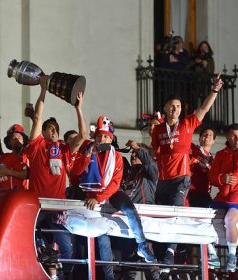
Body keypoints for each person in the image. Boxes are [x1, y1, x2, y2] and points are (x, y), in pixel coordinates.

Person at [151, 74, 223, 268]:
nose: (175, 109)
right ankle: (162, 253)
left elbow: (204, 108)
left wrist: (214, 90)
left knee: (176, 213)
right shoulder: (158, 130)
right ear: (165, 108)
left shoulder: (187, 124)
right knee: (161, 215)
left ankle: (170, 252)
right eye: (172, 106)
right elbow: (155, 153)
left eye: (179, 106)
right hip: (163, 180)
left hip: (181, 180)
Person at [73, 116, 155, 280]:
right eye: (99, 136)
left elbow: (116, 182)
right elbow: (76, 173)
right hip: (90, 195)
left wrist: (100, 197)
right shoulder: (87, 150)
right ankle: (108, 277)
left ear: (110, 139)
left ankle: (142, 245)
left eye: (105, 136)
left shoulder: (116, 156)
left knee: (130, 209)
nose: (102, 139)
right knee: (102, 238)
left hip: (108, 194)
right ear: (95, 137)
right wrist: (88, 156)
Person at [24, 75, 88, 279]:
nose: (54, 130)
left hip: (57, 206)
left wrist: (78, 108)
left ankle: (63, 277)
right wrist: (43, 90)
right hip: (37, 205)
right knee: (32, 244)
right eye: (50, 128)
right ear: (42, 132)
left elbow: (84, 135)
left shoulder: (63, 148)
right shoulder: (37, 146)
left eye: (57, 129)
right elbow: (37, 118)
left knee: (67, 250)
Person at [116, 140, 160, 280]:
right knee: (129, 265)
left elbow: (150, 163)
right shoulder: (126, 173)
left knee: (150, 265)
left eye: (138, 154)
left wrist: (137, 147)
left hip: (144, 222)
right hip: (126, 222)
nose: (134, 156)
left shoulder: (150, 172)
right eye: (133, 154)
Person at [209, 123, 238, 273]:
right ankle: (212, 254)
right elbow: (212, 177)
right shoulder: (220, 154)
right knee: (204, 219)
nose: (236, 138)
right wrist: (222, 178)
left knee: (229, 220)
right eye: (233, 135)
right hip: (221, 197)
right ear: (227, 136)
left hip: (236, 199)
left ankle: (232, 256)